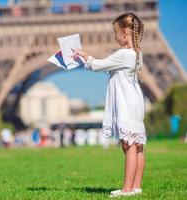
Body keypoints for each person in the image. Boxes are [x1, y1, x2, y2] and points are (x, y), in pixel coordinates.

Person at [72, 13, 146, 197]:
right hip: (136, 103)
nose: (114, 36)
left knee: (128, 145)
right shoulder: (137, 54)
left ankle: (127, 189)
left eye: (115, 32)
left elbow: (98, 65)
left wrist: (84, 56)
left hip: (126, 104)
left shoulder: (123, 54)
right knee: (137, 146)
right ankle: (136, 186)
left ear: (123, 32)